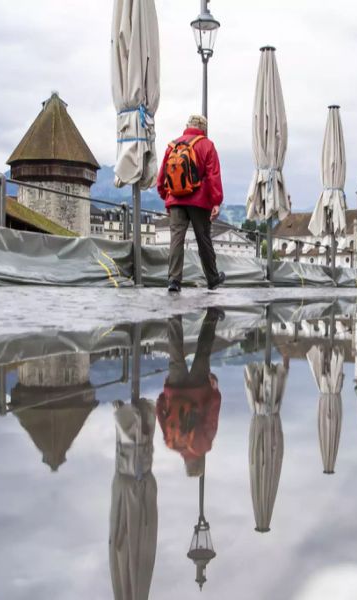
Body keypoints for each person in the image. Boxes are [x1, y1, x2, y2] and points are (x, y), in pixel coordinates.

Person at [157, 115, 225, 293]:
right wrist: (216, 201)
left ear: (187, 126)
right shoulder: (207, 145)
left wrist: (166, 196)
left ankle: (174, 280)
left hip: (175, 200)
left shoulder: (172, 146)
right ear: (203, 128)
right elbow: (213, 176)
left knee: (176, 239)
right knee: (203, 238)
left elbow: (162, 176)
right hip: (199, 200)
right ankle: (212, 279)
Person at [157, 308, 223, 477]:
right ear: (185, 462)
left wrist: (214, 391)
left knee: (203, 352)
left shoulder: (204, 445)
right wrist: (165, 395)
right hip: (175, 390)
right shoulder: (171, 443)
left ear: (201, 461)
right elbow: (160, 413)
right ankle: (173, 316)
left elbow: (212, 413)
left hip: (198, 389)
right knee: (175, 353)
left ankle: (212, 315)